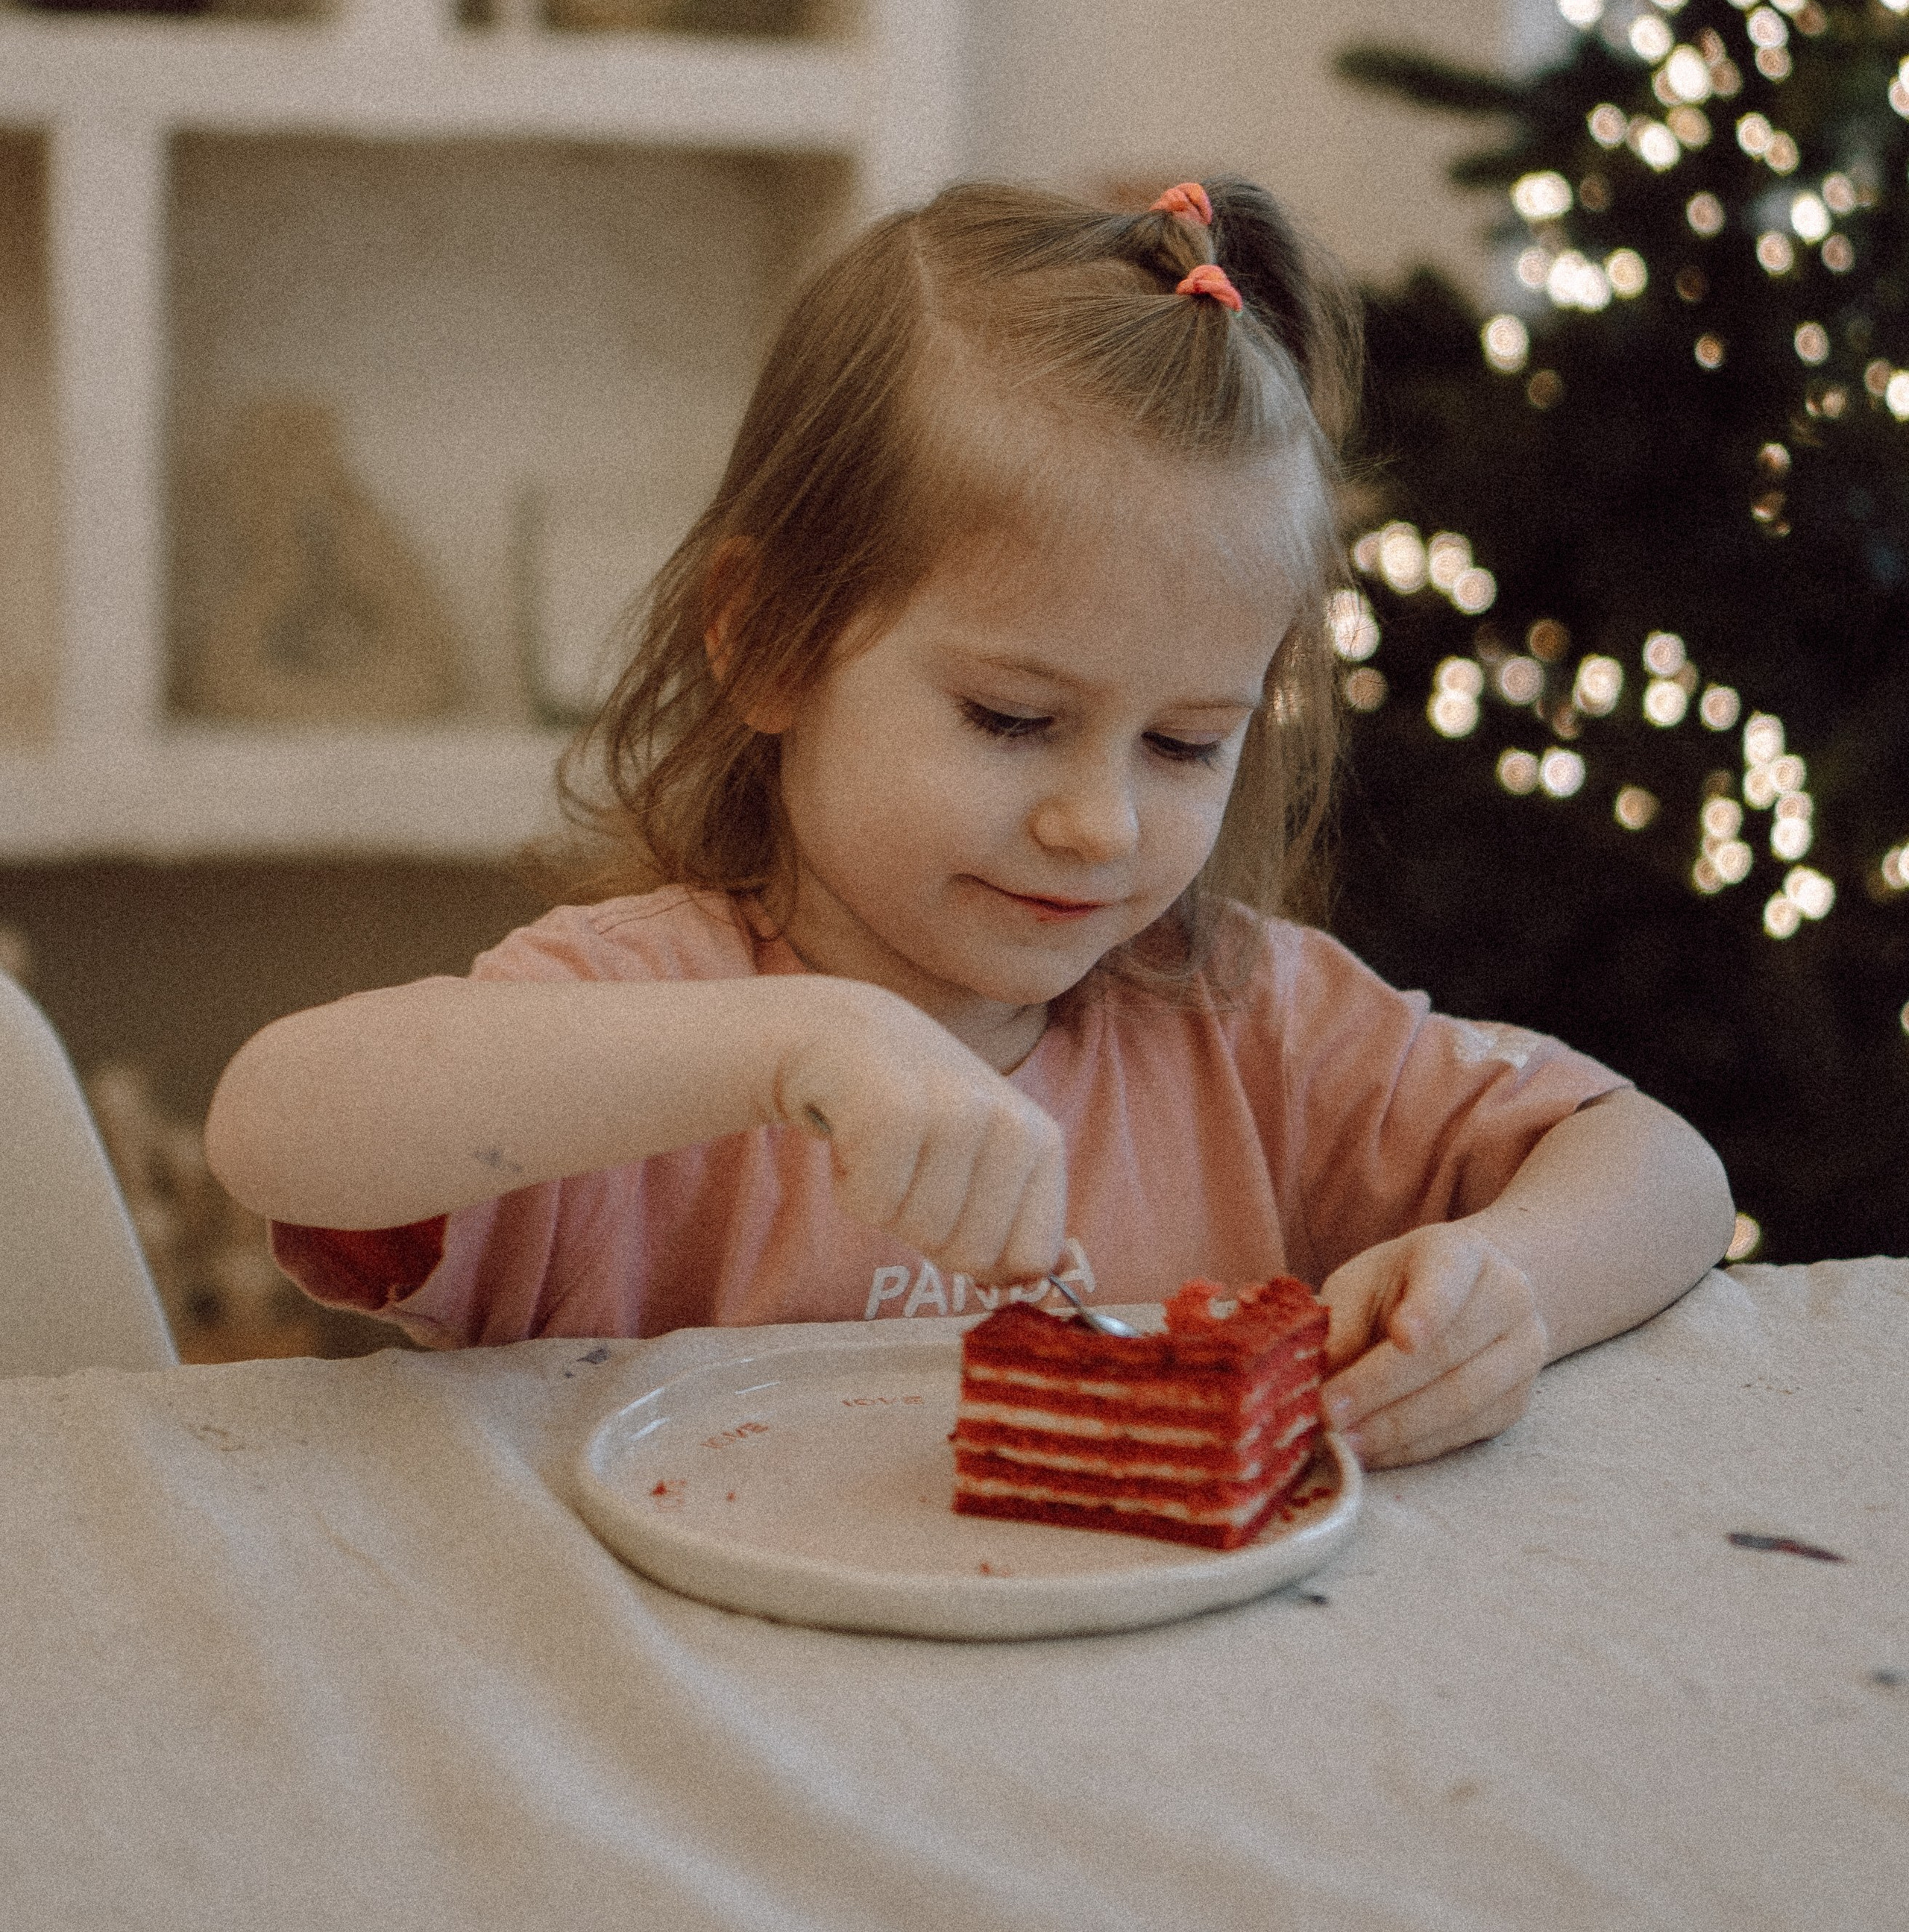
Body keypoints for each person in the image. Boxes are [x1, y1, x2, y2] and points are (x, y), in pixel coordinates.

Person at [207, 179, 1734, 1469]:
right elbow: (275, 1126)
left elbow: (1660, 1167)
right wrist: (800, 1047)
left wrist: (1500, 1285)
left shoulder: (1243, 1024)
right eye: (1011, 720)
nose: (1096, 823)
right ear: (772, 639)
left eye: (1188, 741)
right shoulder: (650, 1015)